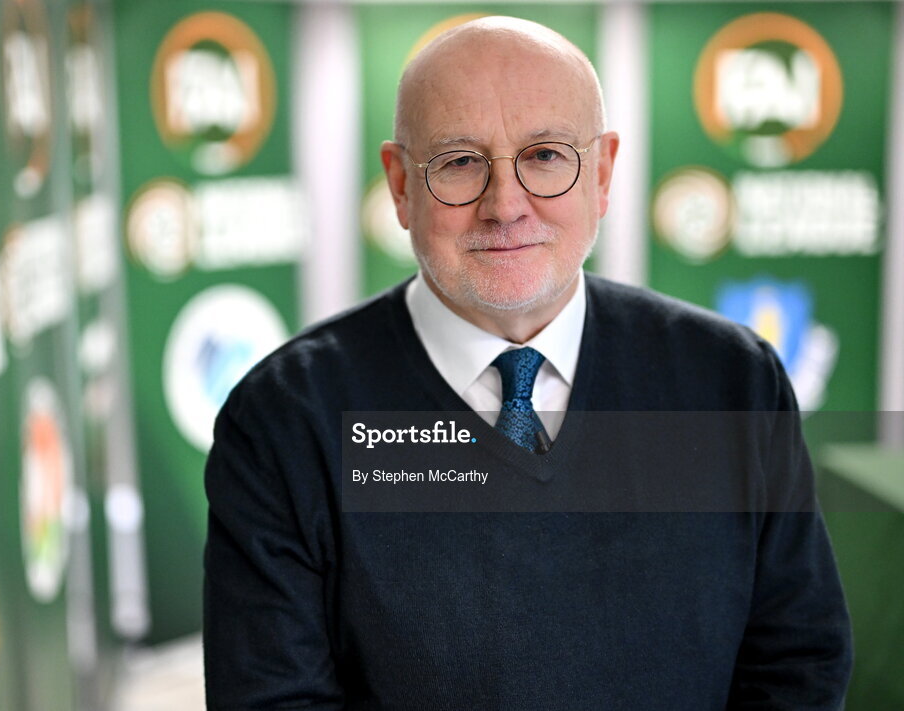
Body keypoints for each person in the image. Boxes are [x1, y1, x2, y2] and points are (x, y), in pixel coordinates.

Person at [203, 16, 851, 710]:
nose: (505, 205)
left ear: (600, 173)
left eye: (544, 155)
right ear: (399, 186)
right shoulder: (282, 421)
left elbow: (797, 661)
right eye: (458, 162)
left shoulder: (732, 381)